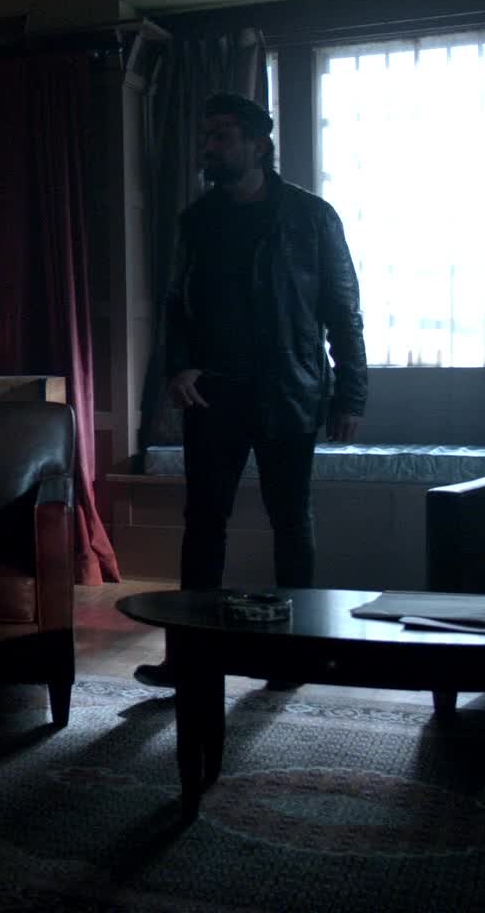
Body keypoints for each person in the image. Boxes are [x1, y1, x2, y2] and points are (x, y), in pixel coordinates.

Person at [135, 91, 366, 691]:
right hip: (212, 395)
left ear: (258, 146)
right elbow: (175, 304)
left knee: (291, 521)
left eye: (222, 136)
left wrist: (351, 395)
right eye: (207, 135)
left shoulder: (311, 217)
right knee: (203, 523)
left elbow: (343, 311)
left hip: (288, 390)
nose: (209, 146)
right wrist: (178, 367)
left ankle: (295, 659)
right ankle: (189, 656)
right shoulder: (197, 220)